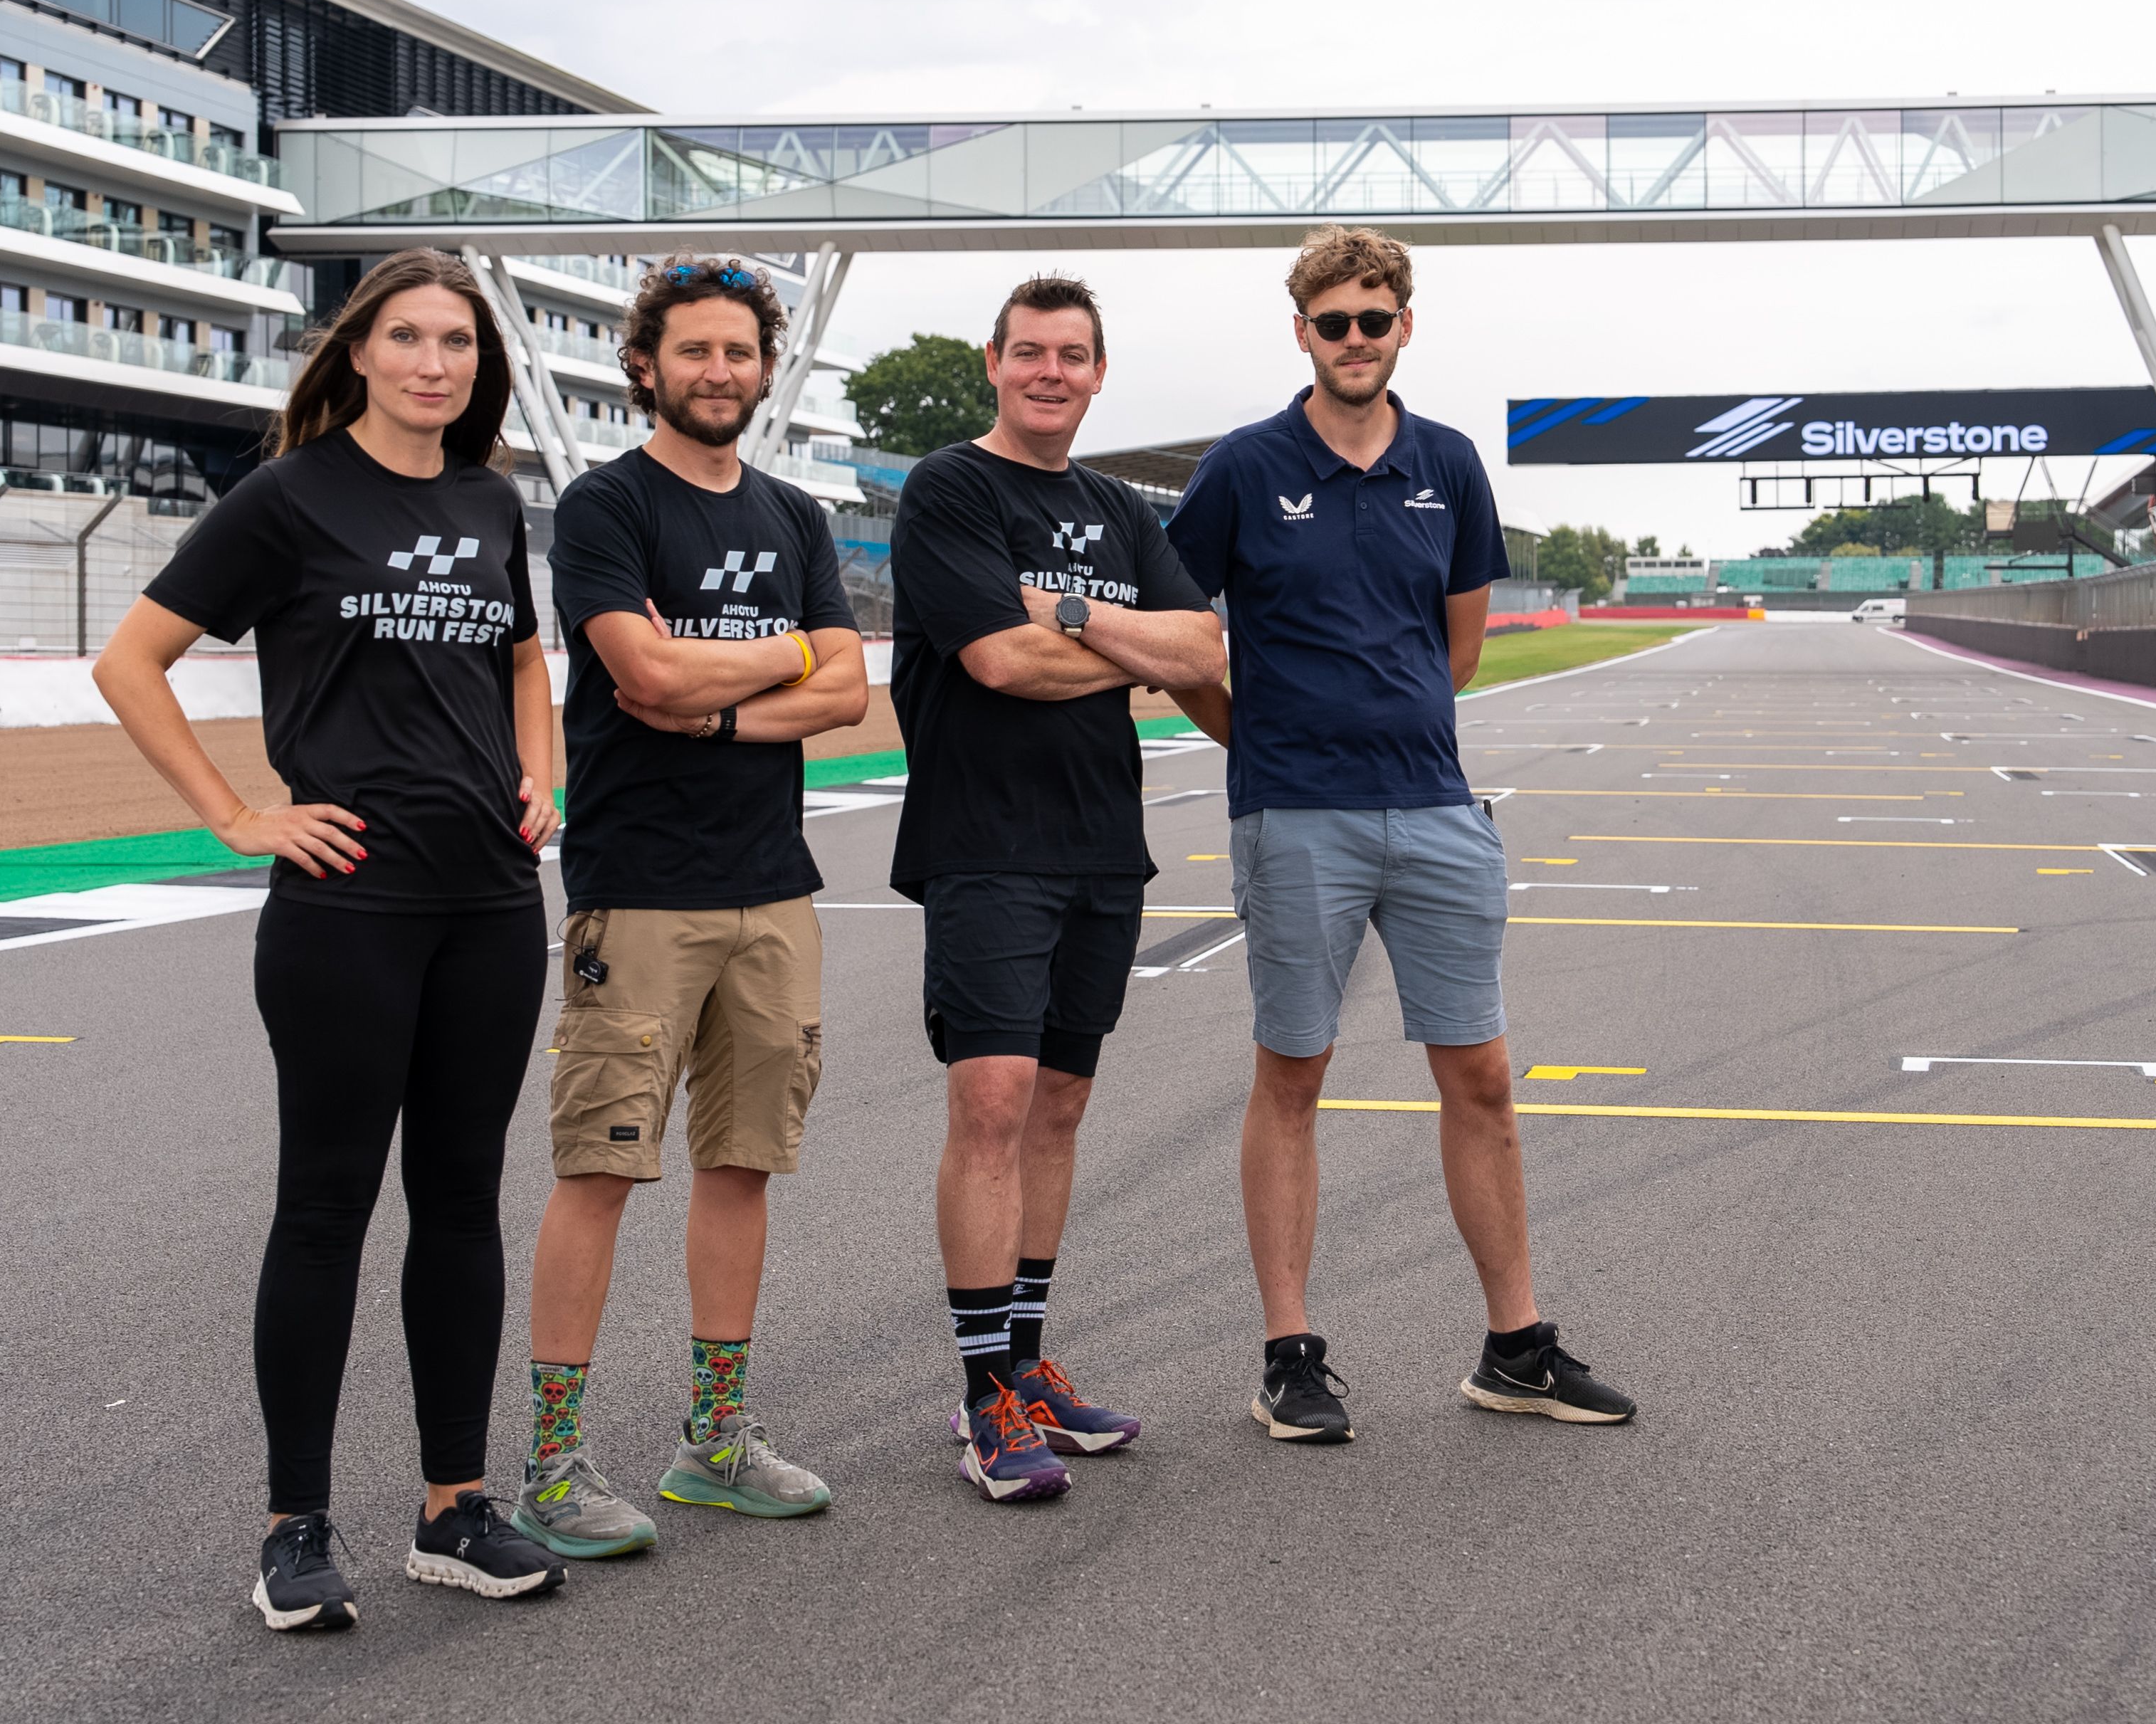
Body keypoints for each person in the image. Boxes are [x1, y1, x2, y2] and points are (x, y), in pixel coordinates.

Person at [94, 248, 569, 1632]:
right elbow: (130, 660)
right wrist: (239, 815)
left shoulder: (489, 501)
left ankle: (453, 1508)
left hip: (489, 902)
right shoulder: (289, 499)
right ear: (357, 352)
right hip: (344, 913)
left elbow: (524, 657)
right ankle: (292, 1528)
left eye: (459, 345)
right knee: (325, 1211)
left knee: (464, 1203)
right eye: (410, 339)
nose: (436, 364)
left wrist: (543, 769)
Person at [1164, 224, 1636, 1444]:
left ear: (1405, 327)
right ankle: (1289, 1353)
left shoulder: (1451, 462)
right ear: (1304, 333)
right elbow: (1177, 642)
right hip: (1295, 812)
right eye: (1334, 323)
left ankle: (1516, 1348)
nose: (1356, 341)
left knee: (1479, 1075)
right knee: (1294, 1075)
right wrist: (1256, 742)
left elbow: (1459, 645)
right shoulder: (1242, 466)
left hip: (1433, 805)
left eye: (1376, 320)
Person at [515, 256, 870, 1560]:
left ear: (766, 369)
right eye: (693, 351)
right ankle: (554, 1462)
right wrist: (780, 662)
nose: (718, 371)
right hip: (641, 892)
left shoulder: (792, 515)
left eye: (739, 351)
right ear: (646, 366)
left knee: (742, 1165)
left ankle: (713, 1441)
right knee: (598, 1170)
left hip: (774, 889)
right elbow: (637, 670)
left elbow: (847, 692)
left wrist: (721, 690)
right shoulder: (606, 507)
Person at [890, 273, 1227, 1503]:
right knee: (991, 1104)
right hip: (985, 843)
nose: (1049, 372)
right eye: (1028, 351)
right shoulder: (949, 489)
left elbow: (1202, 649)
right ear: (994, 362)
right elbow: (994, 661)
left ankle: (1028, 1366)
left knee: (1061, 1112)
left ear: (1097, 373)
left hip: (1101, 846)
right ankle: (984, 1395)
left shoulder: (1118, 505)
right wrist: (1119, 642)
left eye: (1071, 355)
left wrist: (1067, 611)